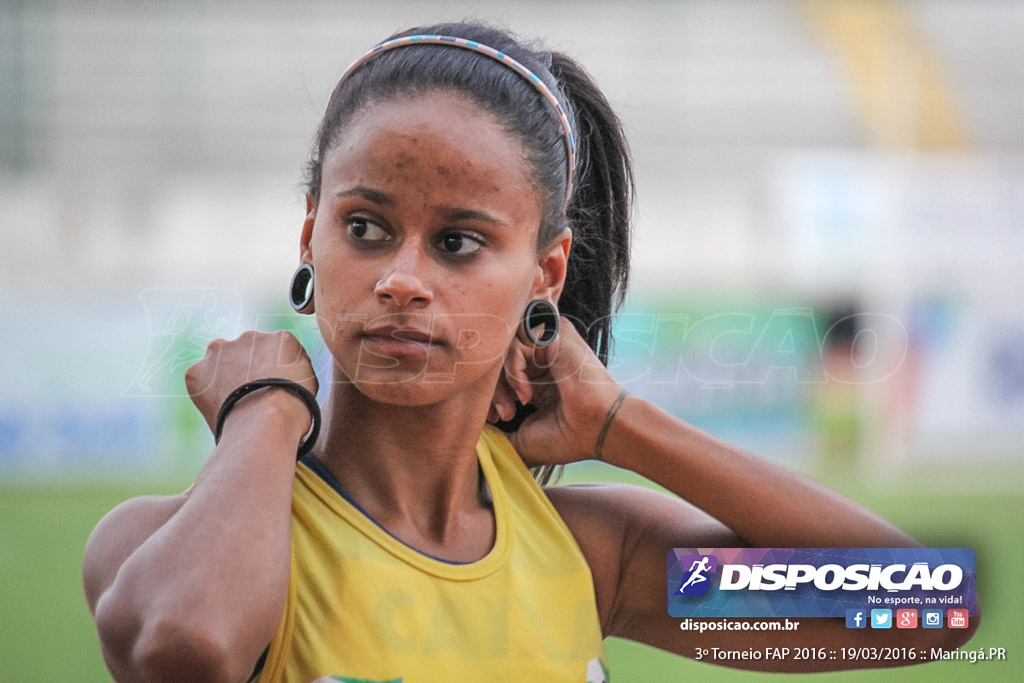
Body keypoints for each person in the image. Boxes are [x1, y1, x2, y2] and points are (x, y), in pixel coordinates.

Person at [82, 22, 977, 682]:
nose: (401, 278)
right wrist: (265, 417)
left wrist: (623, 425)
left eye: (459, 242)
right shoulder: (160, 543)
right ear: (310, 235)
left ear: (546, 271)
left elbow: (920, 604)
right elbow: (184, 648)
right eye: (365, 227)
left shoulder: (588, 556)